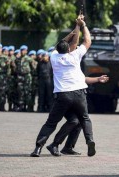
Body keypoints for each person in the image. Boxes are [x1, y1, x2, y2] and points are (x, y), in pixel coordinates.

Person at [30, 14, 94, 157]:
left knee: (53, 123)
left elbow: (60, 44)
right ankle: (89, 139)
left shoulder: (53, 56)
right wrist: (82, 25)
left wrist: (74, 29)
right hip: (78, 94)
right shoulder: (74, 56)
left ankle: (38, 148)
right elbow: (87, 40)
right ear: (70, 49)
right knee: (82, 119)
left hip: (62, 95)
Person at [48, 75, 109, 156]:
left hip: (75, 100)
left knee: (79, 121)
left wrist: (98, 79)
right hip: (63, 100)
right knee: (74, 121)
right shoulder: (63, 67)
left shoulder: (74, 67)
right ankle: (54, 144)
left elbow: (83, 79)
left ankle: (68, 147)